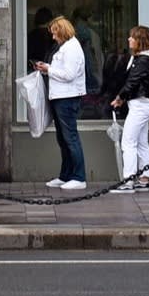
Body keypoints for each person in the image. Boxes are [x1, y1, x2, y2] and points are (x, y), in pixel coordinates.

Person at [109, 25, 149, 193]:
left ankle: (128, 181)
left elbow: (132, 82)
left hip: (139, 105)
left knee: (128, 142)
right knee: (141, 143)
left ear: (140, 41)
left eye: (132, 37)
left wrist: (120, 98)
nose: (129, 39)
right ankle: (144, 179)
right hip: (143, 104)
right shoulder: (147, 59)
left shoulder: (143, 61)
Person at [35, 14, 87, 190]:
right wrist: (47, 69)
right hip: (61, 96)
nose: (53, 36)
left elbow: (69, 74)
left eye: (54, 32)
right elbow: (63, 72)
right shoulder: (66, 47)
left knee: (70, 137)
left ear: (62, 31)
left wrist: (49, 69)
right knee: (63, 138)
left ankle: (79, 177)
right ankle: (66, 175)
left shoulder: (71, 48)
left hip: (67, 97)